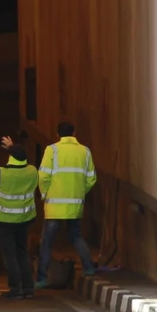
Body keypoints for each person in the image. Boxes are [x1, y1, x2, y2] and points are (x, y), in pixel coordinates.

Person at [35, 122, 98, 289]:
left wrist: (45, 194)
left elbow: (43, 176)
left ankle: (41, 278)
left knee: (47, 242)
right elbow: (91, 178)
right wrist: (79, 192)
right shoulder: (85, 151)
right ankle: (89, 267)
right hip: (75, 204)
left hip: (54, 206)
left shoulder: (52, 150)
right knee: (76, 236)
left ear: (58, 134)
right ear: (74, 133)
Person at [0, 142, 40, 298]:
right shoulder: (32, 172)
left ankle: (15, 289)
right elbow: (21, 155)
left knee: (10, 255)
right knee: (22, 252)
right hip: (23, 219)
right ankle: (28, 289)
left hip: (4, 221)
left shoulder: (2, 174)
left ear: (10, 157)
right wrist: (13, 146)